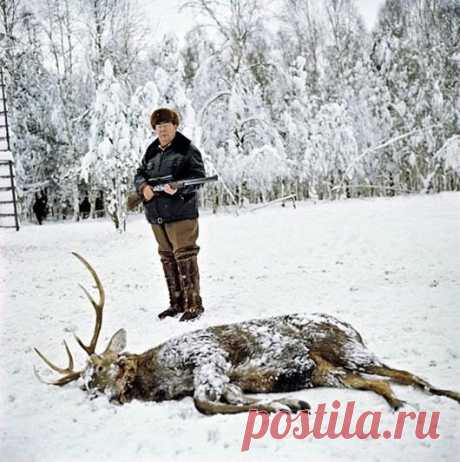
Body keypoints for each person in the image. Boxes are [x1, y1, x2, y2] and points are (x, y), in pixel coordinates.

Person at [134, 108, 206, 322]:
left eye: (166, 125)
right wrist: (143, 187)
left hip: (181, 213)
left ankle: (193, 304)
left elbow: (198, 178)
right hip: (157, 214)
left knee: (185, 255)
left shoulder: (187, 149)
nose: (162, 129)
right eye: (158, 126)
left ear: (175, 126)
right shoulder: (151, 151)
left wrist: (179, 188)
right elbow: (139, 174)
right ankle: (176, 304)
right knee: (167, 257)